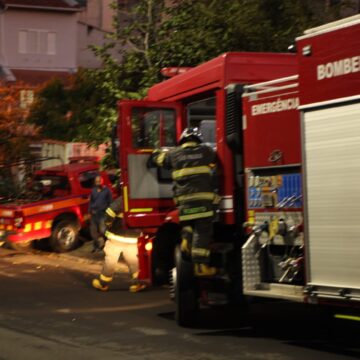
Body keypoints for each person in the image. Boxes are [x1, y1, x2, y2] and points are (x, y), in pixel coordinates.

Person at [148, 127, 220, 276]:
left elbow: (158, 159)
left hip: (184, 203)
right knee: (203, 230)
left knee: (187, 222)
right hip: (203, 201)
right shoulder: (206, 151)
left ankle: (186, 239)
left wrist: (155, 151)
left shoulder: (174, 154)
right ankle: (200, 266)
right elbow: (217, 158)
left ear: (182, 140)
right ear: (197, 140)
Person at [92, 196, 146, 292]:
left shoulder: (123, 198)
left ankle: (102, 283)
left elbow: (110, 212)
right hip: (133, 238)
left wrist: (108, 224)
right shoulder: (142, 198)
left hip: (116, 236)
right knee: (134, 261)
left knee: (110, 261)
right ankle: (138, 283)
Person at [89, 175, 112, 252]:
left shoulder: (107, 191)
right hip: (94, 214)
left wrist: (108, 213)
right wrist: (90, 211)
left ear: (102, 181)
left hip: (102, 214)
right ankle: (96, 246)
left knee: (103, 230)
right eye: (96, 182)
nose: (98, 183)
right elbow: (91, 201)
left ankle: (107, 244)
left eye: (99, 181)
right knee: (93, 232)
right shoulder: (93, 191)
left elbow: (110, 202)